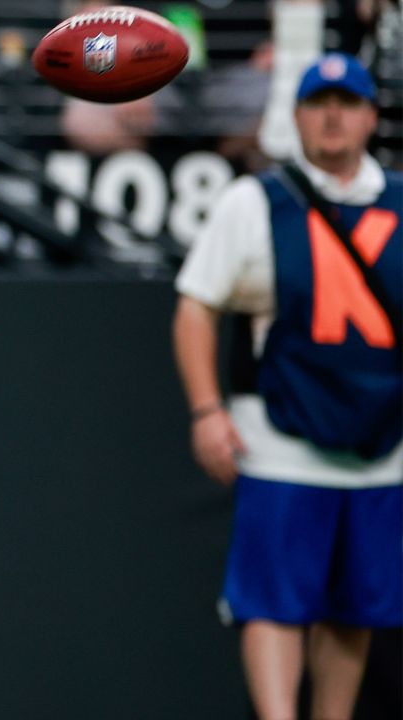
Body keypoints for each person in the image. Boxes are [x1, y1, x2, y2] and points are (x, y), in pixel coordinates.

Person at [172, 54, 401, 720]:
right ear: (296, 116)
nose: (333, 116)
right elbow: (195, 305)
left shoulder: (400, 203)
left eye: (347, 102)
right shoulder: (256, 202)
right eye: (319, 102)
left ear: (370, 116)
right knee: (273, 599)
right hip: (282, 435)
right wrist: (206, 410)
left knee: (355, 603)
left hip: (382, 443)